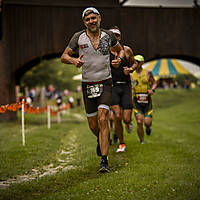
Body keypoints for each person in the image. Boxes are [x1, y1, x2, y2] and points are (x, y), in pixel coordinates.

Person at [61, 7, 124, 172]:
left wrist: (119, 59)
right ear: (84, 22)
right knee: (93, 125)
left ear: (99, 18)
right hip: (88, 84)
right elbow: (64, 56)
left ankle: (104, 161)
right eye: (88, 19)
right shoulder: (78, 37)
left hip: (105, 82)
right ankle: (101, 139)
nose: (91, 21)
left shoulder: (108, 36)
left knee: (103, 119)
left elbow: (120, 50)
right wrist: (74, 61)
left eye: (94, 18)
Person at [109, 26, 136, 152]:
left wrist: (130, 69)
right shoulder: (105, 51)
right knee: (117, 116)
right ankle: (122, 143)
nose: (115, 38)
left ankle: (128, 122)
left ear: (120, 37)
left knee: (126, 118)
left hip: (125, 86)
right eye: (112, 35)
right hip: (113, 87)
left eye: (117, 35)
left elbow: (135, 63)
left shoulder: (127, 50)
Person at [131, 55, 157, 144]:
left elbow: (154, 83)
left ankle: (148, 127)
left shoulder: (148, 72)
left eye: (137, 62)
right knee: (139, 121)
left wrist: (152, 89)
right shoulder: (131, 74)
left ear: (142, 63)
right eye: (134, 61)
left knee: (147, 122)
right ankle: (142, 140)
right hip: (136, 100)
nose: (135, 63)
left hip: (147, 101)